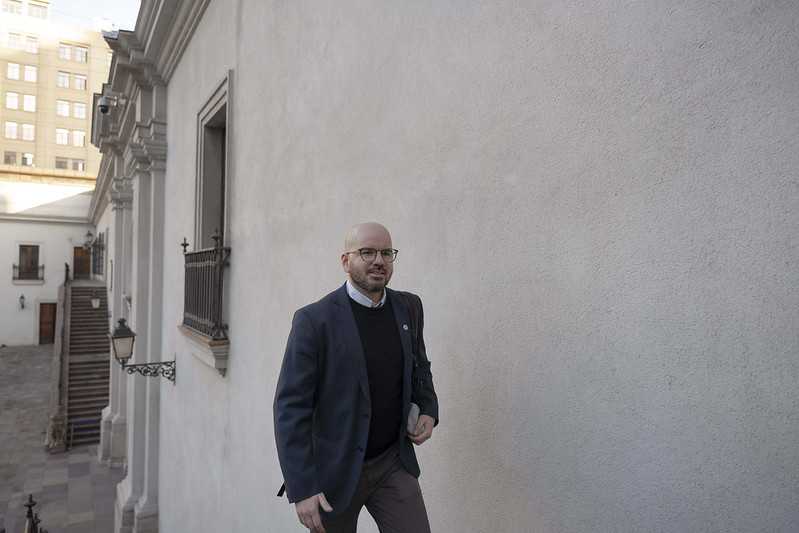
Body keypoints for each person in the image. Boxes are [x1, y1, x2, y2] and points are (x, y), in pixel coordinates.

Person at [274, 222, 439, 533]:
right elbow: (290, 408)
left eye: (386, 253)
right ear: (346, 261)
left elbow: (420, 366)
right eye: (367, 252)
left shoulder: (409, 307)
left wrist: (428, 407)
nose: (379, 260)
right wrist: (302, 487)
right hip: (334, 471)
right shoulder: (313, 320)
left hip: (392, 462)